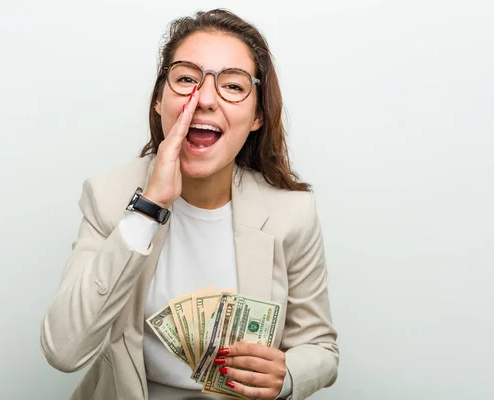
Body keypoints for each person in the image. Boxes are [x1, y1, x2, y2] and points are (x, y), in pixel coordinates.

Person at [40, 8, 339, 400]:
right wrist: (148, 206)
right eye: (186, 80)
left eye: (232, 86)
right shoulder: (109, 197)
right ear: (159, 101)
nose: (206, 100)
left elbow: (322, 348)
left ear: (257, 117)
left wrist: (287, 376)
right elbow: (64, 350)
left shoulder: (290, 214)